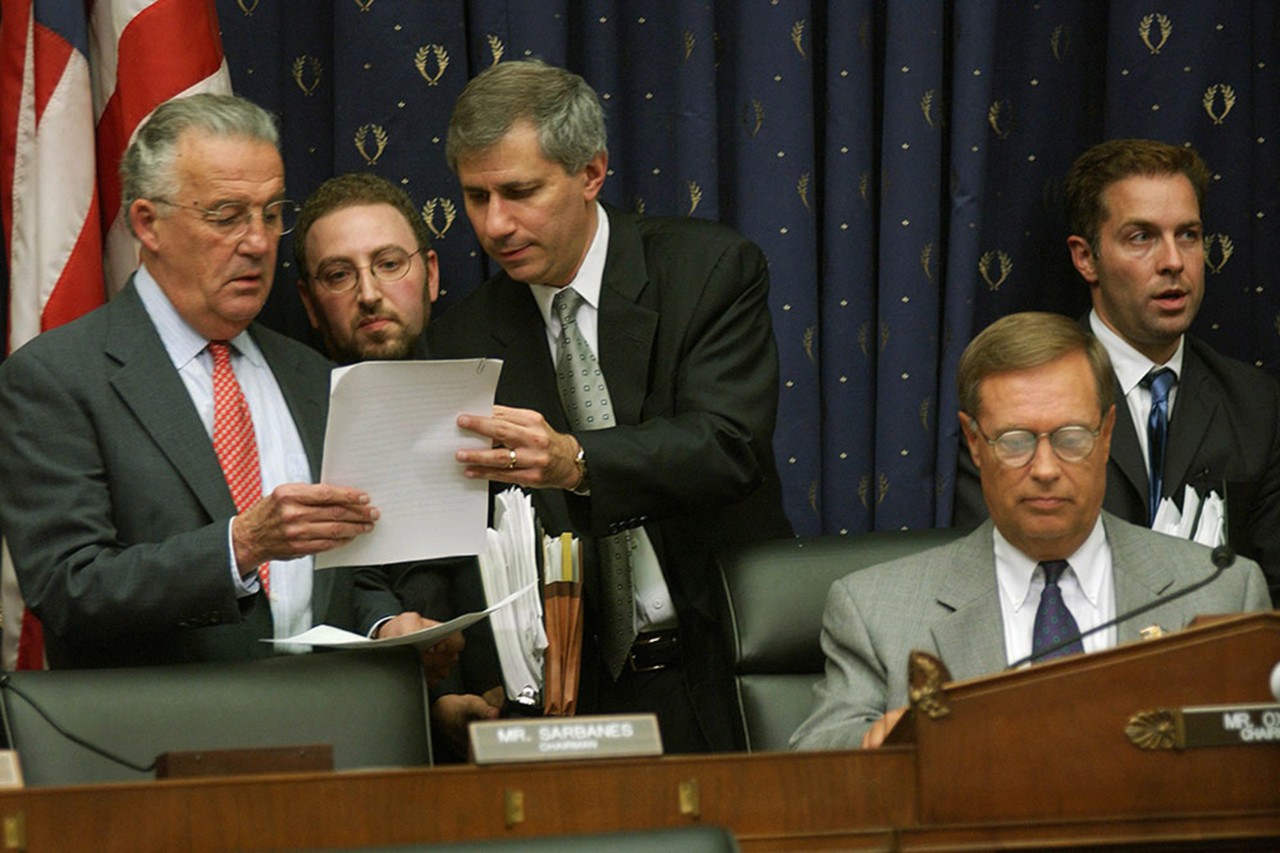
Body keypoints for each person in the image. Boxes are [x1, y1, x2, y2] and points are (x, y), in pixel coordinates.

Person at [431, 59, 793, 753]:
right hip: (573, 694)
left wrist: (577, 460)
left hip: (724, 662)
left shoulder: (705, 269)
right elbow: (460, 534)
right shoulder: (461, 340)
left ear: (591, 173)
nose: (495, 224)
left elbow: (728, 445)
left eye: (520, 192)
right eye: (476, 197)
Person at [0, 93, 378, 669]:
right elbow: (69, 588)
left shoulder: (311, 373)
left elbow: (354, 568)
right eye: (227, 216)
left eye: (271, 213)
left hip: (333, 707)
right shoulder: (58, 378)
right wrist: (240, 546)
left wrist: (384, 621)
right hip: (163, 719)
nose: (258, 242)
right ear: (147, 223)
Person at [792, 312, 1270, 751]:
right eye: (1015, 441)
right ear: (975, 443)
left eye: (1071, 438)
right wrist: (885, 747)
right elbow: (815, 758)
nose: (1045, 469)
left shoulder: (1221, 592)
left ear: (1106, 435)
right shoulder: (875, 611)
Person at [955, 139, 1280, 606]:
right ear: (1086, 257)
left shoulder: (1255, 404)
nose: (1173, 261)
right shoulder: (1017, 394)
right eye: (1141, 237)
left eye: (1188, 235)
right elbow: (994, 578)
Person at [292, 172, 501, 751]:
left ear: (431, 274)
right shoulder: (287, 417)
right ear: (310, 302)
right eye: (339, 274)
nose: (368, 293)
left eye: (388, 264)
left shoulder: (507, 392)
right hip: (360, 727)